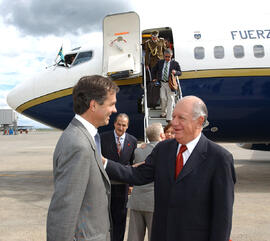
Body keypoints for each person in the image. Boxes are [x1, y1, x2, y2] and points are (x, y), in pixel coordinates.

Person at [105, 95, 236, 241]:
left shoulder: (219, 159)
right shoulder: (163, 149)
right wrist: (105, 163)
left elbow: (222, 217)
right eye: (173, 116)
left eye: (181, 118)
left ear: (200, 121)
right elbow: (137, 175)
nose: (174, 123)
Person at [47, 75, 119, 241]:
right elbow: (64, 208)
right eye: (112, 104)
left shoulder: (88, 136)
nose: (115, 110)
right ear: (93, 105)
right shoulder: (78, 144)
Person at [100, 113, 137, 241]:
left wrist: (132, 184)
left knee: (120, 218)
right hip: (107, 185)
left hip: (123, 185)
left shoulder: (132, 141)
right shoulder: (103, 138)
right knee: (106, 218)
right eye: (119, 124)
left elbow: (132, 163)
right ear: (114, 124)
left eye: (124, 125)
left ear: (127, 126)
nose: (121, 127)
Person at [127, 123, 165, 241]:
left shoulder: (138, 151)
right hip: (153, 202)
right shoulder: (163, 151)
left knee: (134, 237)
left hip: (136, 200)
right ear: (161, 135)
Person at [152, 48, 181, 122]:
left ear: (171, 56)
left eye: (169, 57)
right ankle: (163, 112)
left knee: (171, 99)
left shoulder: (175, 63)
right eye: (166, 57)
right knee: (163, 98)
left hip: (170, 84)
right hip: (162, 83)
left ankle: (169, 117)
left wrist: (175, 72)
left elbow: (180, 72)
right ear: (164, 56)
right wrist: (154, 78)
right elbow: (154, 70)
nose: (167, 58)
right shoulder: (160, 62)